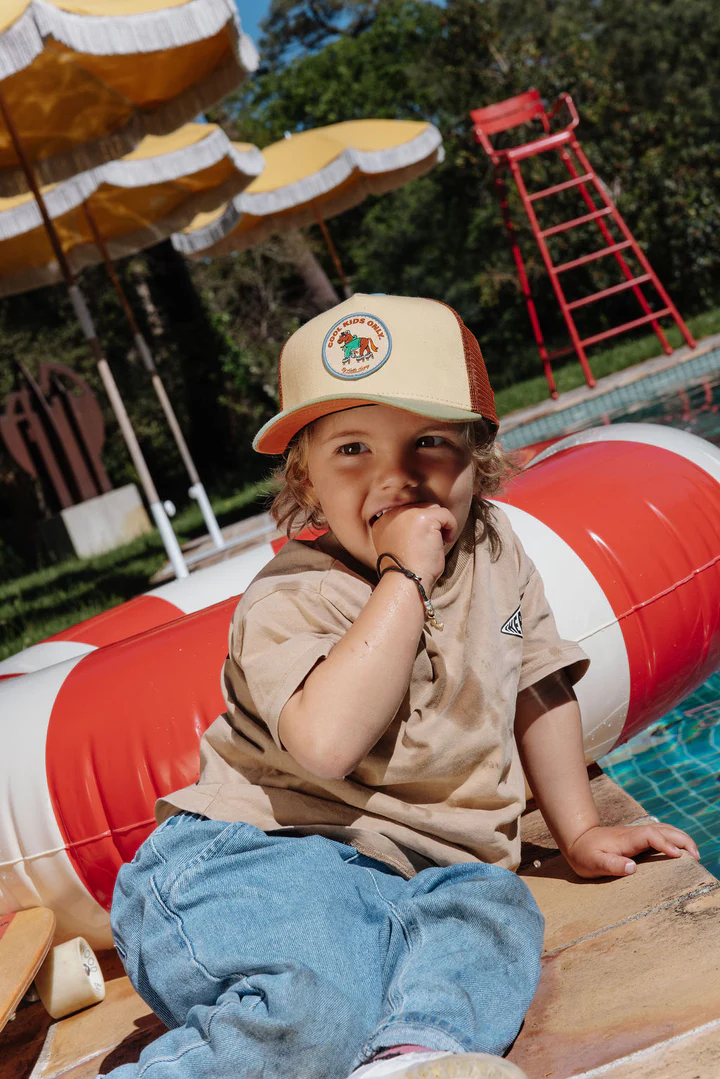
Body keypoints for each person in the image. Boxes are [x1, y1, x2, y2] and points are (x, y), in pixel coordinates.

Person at [107, 295, 700, 1079]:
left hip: (427, 873)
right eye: (352, 448)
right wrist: (404, 578)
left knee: (495, 916)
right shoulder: (290, 597)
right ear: (307, 478)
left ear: (479, 456)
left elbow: (537, 681)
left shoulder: (496, 548)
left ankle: (413, 1055)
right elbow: (326, 744)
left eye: (428, 441)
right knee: (313, 1010)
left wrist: (581, 830)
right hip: (261, 855)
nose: (395, 476)